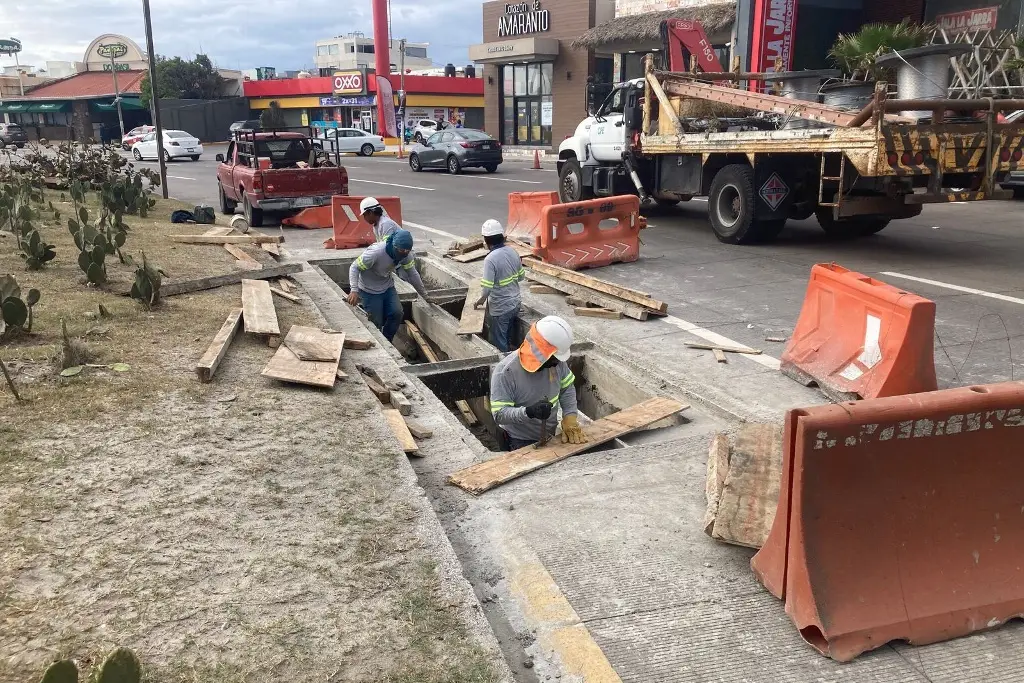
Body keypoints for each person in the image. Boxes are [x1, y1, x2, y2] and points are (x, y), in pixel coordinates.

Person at [489, 316, 588, 451]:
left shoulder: (556, 363)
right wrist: (529, 412)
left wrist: (570, 417)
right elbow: (499, 414)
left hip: (549, 434)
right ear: (540, 352)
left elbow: (567, 388)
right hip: (519, 440)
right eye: (554, 358)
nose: (557, 363)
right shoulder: (505, 373)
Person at [347, 230, 429, 341]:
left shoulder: (406, 255)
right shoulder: (376, 253)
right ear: (394, 245)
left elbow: (412, 274)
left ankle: (387, 341)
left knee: (397, 313)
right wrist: (354, 290)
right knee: (376, 322)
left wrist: (425, 295)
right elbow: (354, 267)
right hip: (369, 290)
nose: (404, 253)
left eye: (407, 250)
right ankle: (379, 342)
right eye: (401, 250)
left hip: (387, 287)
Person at [473, 219, 524, 352]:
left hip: (500, 308)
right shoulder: (513, 252)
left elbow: (486, 289)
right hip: (515, 303)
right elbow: (521, 277)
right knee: (507, 336)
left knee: (499, 343)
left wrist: (480, 301)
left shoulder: (490, 259)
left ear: (486, 240)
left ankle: (504, 367)